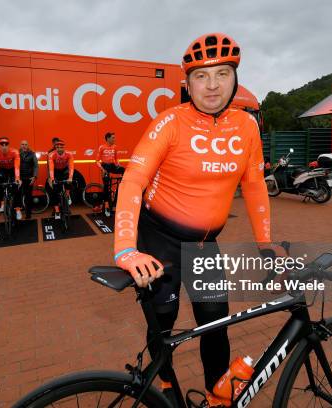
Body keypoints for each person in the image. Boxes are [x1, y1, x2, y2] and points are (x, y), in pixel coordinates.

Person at [112, 33, 286, 407]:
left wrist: (265, 243)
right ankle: (165, 379)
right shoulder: (170, 122)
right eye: (201, 76)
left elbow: (255, 186)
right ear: (187, 83)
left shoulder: (247, 127)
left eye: (222, 74)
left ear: (235, 79)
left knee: (215, 322)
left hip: (205, 244)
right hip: (159, 238)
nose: (212, 85)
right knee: (163, 321)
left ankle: (217, 391)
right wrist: (126, 248)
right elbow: (133, 182)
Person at [0, 137, 23, 220]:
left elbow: (17, 167)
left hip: (13, 170)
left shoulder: (14, 152)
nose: (4, 146)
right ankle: (2, 203)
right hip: (3, 170)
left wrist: (17, 178)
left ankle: (18, 210)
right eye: (2, 144)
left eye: (6, 144)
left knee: (17, 187)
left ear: (8, 145)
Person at [97, 132, 125, 217]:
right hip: (105, 167)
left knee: (124, 170)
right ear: (108, 138)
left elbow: (116, 159)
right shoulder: (102, 147)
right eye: (113, 138)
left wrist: (118, 164)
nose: (114, 139)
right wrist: (102, 169)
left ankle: (121, 191)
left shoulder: (115, 147)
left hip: (112, 166)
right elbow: (97, 161)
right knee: (106, 187)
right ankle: (106, 206)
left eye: (114, 138)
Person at [48, 139, 74, 220]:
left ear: (64, 148)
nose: (59, 149)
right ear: (55, 147)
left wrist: (70, 177)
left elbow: (71, 166)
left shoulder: (69, 154)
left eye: (61, 147)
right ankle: (57, 210)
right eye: (57, 147)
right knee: (54, 190)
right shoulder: (52, 154)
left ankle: (67, 194)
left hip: (64, 170)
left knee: (69, 181)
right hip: (56, 171)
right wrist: (52, 179)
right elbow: (51, 168)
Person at [20, 140, 39, 219]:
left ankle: (28, 214)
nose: (24, 146)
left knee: (28, 196)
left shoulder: (32, 154)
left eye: (25, 144)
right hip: (20, 178)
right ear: (20, 145)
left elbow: (36, 166)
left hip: (29, 178)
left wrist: (34, 176)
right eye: (22, 144)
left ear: (28, 146)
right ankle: (18, 212)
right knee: (18, 195)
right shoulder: (17, 153)